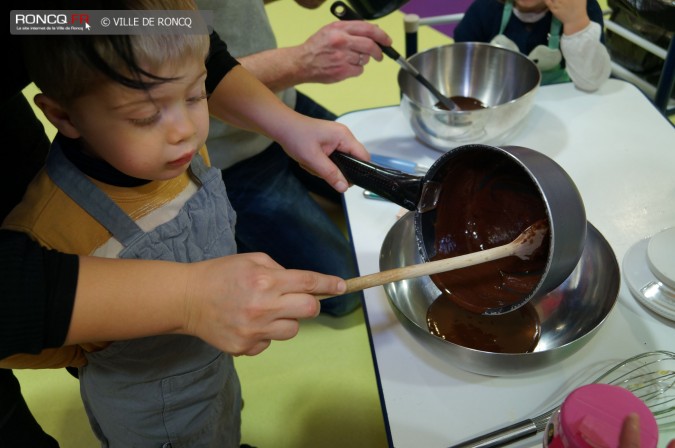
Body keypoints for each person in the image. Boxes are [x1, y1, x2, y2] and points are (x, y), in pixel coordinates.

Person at [1, 0, 371, 445]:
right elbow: (24, 339)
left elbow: (195, 56)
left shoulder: (174, 153)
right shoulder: (51, 230)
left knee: (221, 421)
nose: (186, 131)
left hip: (209, 366)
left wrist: (286, 125)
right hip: (153, 414)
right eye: (144, 116)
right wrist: (173, 306)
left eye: (196, 96)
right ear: (62, 115)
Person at [196, 0, 392, 317]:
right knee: (344, 291)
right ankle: (226, 225)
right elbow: (177, 57)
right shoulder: (100, 19)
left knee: (389, 195)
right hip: (223, 154)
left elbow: (206, 53)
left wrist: (289, 127)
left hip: (281, 104)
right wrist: (299, 62)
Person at [453, 0, 611, 91]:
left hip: (560, 104)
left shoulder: (581, 7)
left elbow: (591, 81)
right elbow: (462, 73)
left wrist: (576, 22)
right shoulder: (485, 9)